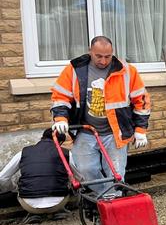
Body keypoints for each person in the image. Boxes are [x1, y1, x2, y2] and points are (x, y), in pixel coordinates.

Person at [50, 36, 151, 195]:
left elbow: (142, 101)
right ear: (90, 51)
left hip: (115, 133)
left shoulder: (127, 71)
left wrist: (140, 130)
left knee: (116, 173)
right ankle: (107, 197)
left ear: (112, 53)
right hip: (86, 131)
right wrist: (60, 118)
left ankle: (114, 203)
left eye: (107, 56)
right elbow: (60, 96)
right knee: (85, 170)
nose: (103, 61)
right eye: (99, 56)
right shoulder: (75, 69)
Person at [0, 129, 71, 223]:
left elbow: (2, 177)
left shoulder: (23, 152)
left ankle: (34, 213)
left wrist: (13, 188)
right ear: (60, 142)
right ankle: (56, 212)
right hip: (58, 203)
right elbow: (79, 175)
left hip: (28, 205)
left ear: (42, 138)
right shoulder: (65, 153)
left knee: (22, 189)